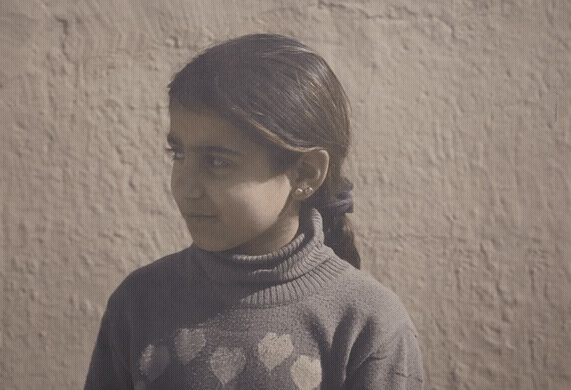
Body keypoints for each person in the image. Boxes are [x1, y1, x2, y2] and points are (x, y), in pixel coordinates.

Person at [84, 33, 423, 390]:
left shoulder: (367, 324)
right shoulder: (139, 302)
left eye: (216, 162)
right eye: (179, 155)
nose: (183, 187)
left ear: (305, 173)